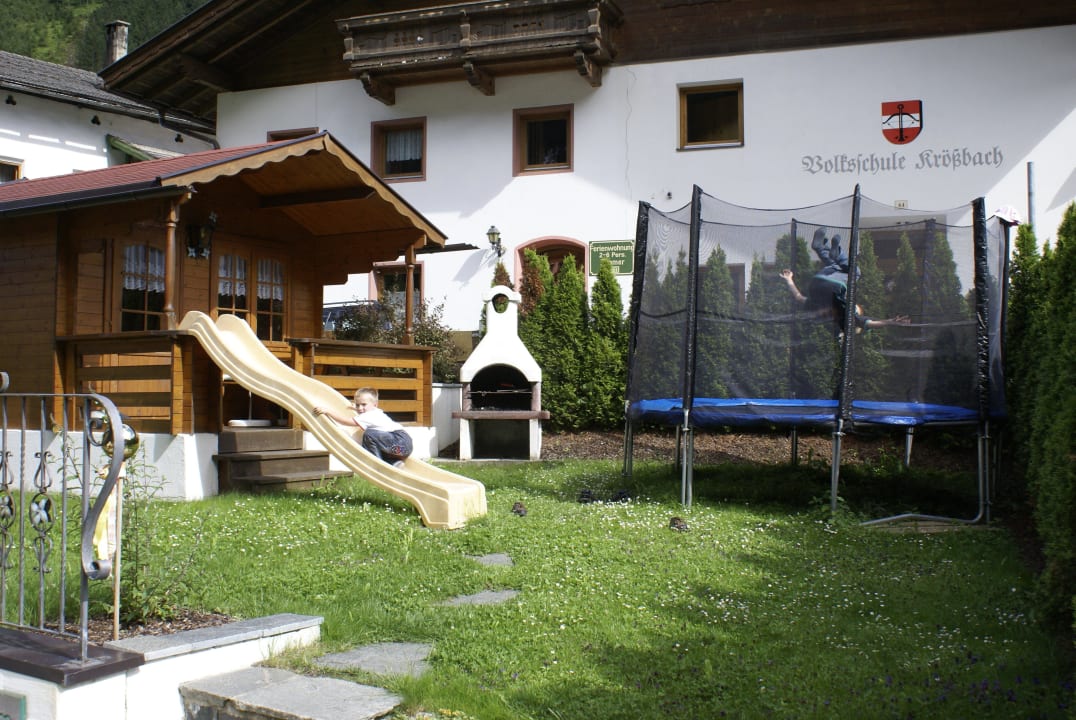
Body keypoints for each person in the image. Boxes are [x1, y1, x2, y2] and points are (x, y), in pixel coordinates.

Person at [780, 227, 909, 334]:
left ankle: (835, 253)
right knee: (835, 266)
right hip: (816, 282)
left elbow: (869, 323)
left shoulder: (845, 313)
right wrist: (789, 279)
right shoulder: (817, 308)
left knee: (855, 273)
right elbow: (798, 297)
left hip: (833, 286)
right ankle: (820, 248)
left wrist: (890, 322)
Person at [312, 387, 413, 467]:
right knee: (374, 439)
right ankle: (393, 463)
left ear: (375, 404)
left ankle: (377, 464)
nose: (360, 408)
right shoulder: (376, 412)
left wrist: (328, 411)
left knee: (369, 434)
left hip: (398, 443)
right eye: (357, 405)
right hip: (403, 448)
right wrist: (355, 408)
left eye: (363, 404)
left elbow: (345, 421)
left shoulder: (368, 416)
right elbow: (366, 412)